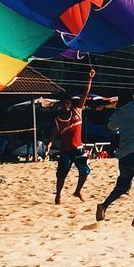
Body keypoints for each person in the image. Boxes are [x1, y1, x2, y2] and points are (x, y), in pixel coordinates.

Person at [96, 52, 134, 227]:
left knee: (122, 187)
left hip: (123, 157)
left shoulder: (118, 114)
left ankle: (103, 206)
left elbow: (110, 128)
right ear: (132, 98)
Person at [52, 70, 97, 204]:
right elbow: (54, 133)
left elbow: (85, 93)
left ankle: (78, 191)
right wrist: (49, 143)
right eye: (63, 104)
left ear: (70, 104)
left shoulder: (77, 111)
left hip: (78, 148)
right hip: (65, 150)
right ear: (60, 105)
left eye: (68, 103)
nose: (66, 106)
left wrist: (89, 79)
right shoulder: (58, 119)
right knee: (61, 175)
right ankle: (58, 195)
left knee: (85, 171)